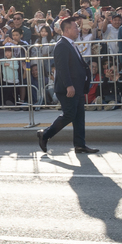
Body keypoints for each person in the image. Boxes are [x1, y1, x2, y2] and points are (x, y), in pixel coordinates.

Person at [37, 16, 98, 154]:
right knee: (69, 114)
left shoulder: (71, 44)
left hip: (77, 87)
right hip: (67, 88)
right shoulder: (62, 45)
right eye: (76, 27)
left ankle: (80, 145)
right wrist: (69, 85)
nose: (78, 29)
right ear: (67, 29)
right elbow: (62, 68)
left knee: (79, 117)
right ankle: (45, 134)